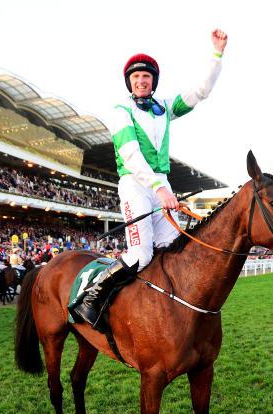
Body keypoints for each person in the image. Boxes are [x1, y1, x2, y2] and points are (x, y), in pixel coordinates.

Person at [71, 28, 228, 327]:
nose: (141, 81)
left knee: (173, 249)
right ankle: (92, 297)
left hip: (160, 184)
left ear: (153, 82)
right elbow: (130, 153)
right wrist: (159, 188)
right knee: (141, 254)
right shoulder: (120, 111)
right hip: (136, 184)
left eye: (146, 77)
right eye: (136, 77)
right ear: (129, 82)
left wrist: (217, 54)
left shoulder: (164, 108)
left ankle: (161, 310)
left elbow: (201, 91)